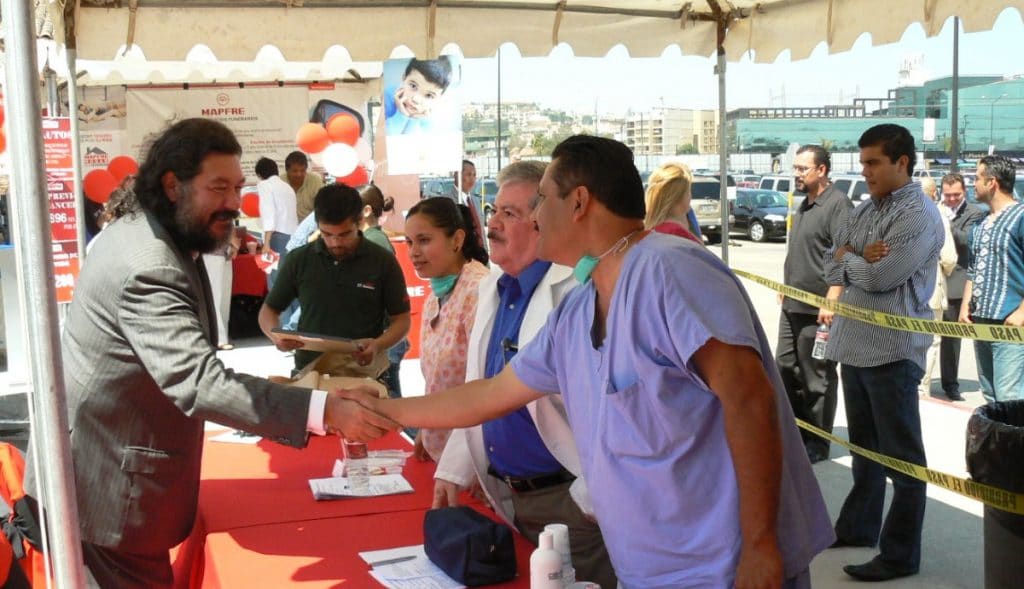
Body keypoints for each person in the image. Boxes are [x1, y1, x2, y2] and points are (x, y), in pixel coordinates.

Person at [344, 136, 834, 588]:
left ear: (578, 202)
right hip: (651, 569)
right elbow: (491, 394)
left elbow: (750, 401)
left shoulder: (668, 269)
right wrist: (384, 409)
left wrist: (761, 546)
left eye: (540, 201)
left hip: (723, 566)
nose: (533, 216)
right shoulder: (579, 308)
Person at [28, 118, 397, 588]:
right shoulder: (150, 264)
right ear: (172, 186)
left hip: (107, 475)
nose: (233, 203)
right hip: (107, 493)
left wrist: (311, 393)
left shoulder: (161, 237)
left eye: (238, 187)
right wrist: (327, 409)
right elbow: (198, 382)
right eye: (218, 188)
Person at [432, 161, 616, 588]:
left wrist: (585, 503)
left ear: (542, 222)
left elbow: (616, 413)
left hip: (571, 509)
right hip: (509, 500)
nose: (491, 224)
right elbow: (480, 389)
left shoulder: (581, 292)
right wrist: (454, 468)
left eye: (509, 214)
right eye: (493, 211)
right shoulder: (493, 286)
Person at [823, 124, 943, 582]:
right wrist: (856, 255)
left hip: (893, 353)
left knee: (902, 461)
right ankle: (858, 528)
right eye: (863, 161)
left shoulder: (917, 215)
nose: (864, 170)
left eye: (874, 162)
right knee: (864, 452)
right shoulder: (864, 209)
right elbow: (830, 262)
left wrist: (852, 259)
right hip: (854, 347)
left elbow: (880, 278)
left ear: (903, 164)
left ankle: (899, 555)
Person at [258, 184, 411, 375]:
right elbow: (269, 310)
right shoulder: (299, 259)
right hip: (309, 371)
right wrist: (275, 336)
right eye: (327, 234)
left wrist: (378, 345)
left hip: (363, 373)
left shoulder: (382, 260)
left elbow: (402, 320)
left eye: (345, 234)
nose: (336, 243)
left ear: (360, 221)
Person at [776, 145, 852, 464]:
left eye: (802, 169)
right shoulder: (804, 205)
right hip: (792, 303)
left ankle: (818, 442)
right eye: (794, 168)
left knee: (817, 376)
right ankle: (797, 432)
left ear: (821, 170)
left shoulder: (838, 205)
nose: (797, 174)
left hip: (818, 311)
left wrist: (832, 298)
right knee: (784, 367)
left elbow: (845, 253)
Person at [405, 197, 490, 461]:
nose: (413, 252)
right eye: (409, 242)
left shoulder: (479, 291)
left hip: (474, 455)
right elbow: (437, 381)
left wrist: (463, 459)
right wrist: (427, 428)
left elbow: (487, 387)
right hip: (441, 448)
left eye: (424, 240)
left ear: (457, 240)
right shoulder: (435, 297)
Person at [959, 155, 1024, 402]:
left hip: (1011, 324)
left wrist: (1021, 312)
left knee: (1010, 398)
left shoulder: (1020, 217)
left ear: (992, 182)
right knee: (990, 395)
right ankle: (998, 443)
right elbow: (973, 269)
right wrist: (966, 305)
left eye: (976, 178)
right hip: (982, 322)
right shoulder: (981, 224)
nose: (972, 184)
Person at [359, 184, 409, 399]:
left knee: (391, 406)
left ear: (367, 211)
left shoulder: (373, 243)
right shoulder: (374, 239)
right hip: (385, 340)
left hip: (385, 340)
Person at [939, 172, 985, 401]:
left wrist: (947, 224)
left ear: (964, 192)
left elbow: (968, 240)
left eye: (956, 195)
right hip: (933, 282)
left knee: (951, 339)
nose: (952, 199)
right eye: (947, 195)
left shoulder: (974, 213)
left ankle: (950, 383)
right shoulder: (937, 210)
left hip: (957, 283)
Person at [917, 177, 957, 397]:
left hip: (905, 292)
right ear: (934, 194)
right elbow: (949, 257)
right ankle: (922, 387)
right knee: (931, 342)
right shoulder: (938, 217)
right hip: (932, 290)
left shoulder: (903, 215)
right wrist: (942, 270)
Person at [385, 57, 454, 135]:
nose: (416, 99)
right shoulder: (387, 97)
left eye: (428, 95)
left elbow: (415, 144)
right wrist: (401, 115)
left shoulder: (433, 115)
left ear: (439, 98)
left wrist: (414, 119)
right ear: (404, 78)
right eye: (413, 86)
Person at [643, 161, 702, 244]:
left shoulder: (651, 233)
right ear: (679, 197)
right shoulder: (677, 232)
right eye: (688, 191)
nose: (690, 196)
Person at [254, 156, 297, 265]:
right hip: (292, 236)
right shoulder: (288, 187)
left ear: (259, 175)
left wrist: (267, 243)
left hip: (276, 237)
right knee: (287, 276)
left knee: (274, 278)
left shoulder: (264, 185)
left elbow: (269, 213)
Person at [284, 150, 325, 222]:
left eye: (302, 170)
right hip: (285, 227)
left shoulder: (315, 181)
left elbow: (322, 207)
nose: (299, 174)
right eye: (295, 171)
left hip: (310, 226)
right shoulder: (280, 182)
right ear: (287, 170)